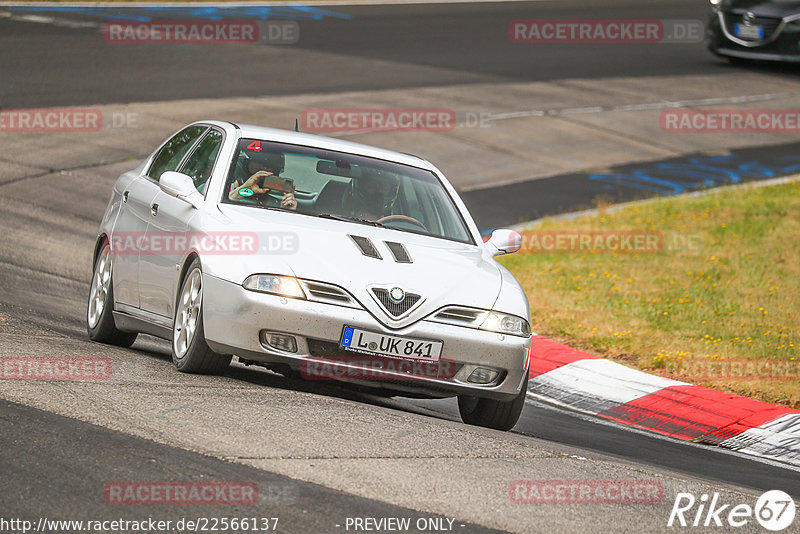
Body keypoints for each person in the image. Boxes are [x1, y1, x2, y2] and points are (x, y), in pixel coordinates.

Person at [228, 150, 297, 210]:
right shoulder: (221, 191)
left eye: (269, 172)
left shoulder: (276, 205)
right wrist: (241, 191)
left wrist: (285, 211)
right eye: (257, 170)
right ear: (244, 167)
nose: (261, 178)